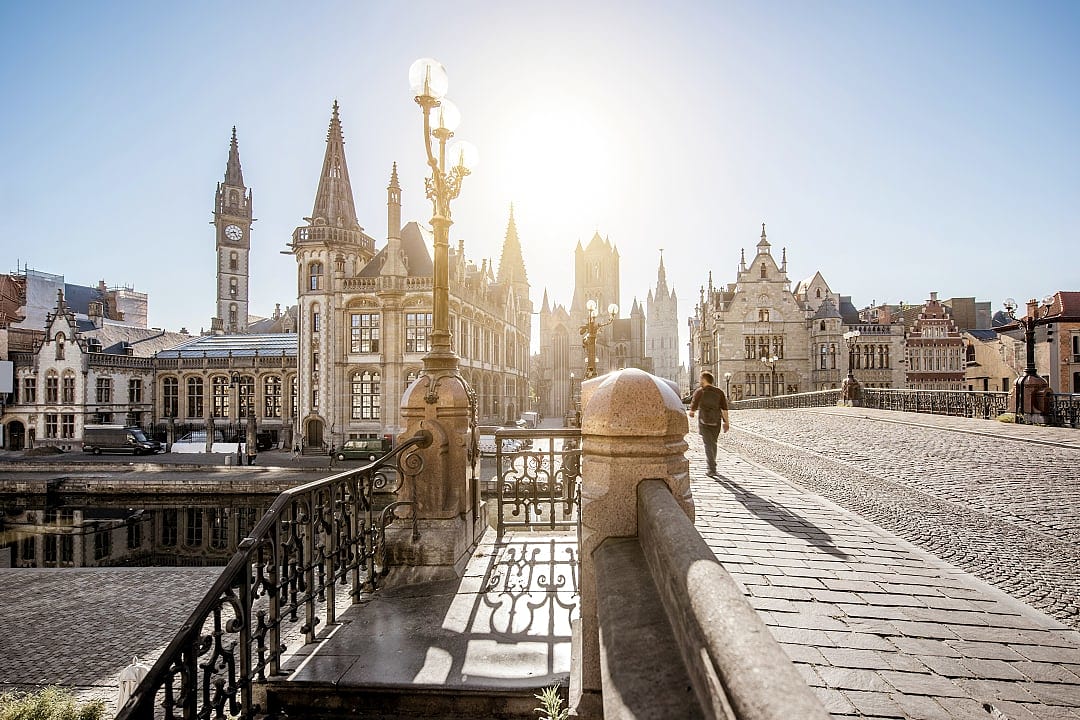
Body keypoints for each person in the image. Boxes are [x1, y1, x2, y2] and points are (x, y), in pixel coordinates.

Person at [688, 371, 730, 478]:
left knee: (707, 444)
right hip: (716, 421)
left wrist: (692, 412)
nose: (699, 381)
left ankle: (711, 468)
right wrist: (726, 422)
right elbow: (724, 408)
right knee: (713, 443)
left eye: (701, 379)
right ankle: (713, 463)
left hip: (704, 421)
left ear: (704, 380)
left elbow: (693, 407)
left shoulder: (700, 392)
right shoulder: (719, 392)